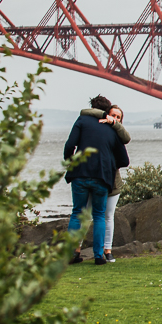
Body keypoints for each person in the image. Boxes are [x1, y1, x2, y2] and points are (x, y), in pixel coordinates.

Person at [64, 95, 130, 266]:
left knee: (77, 213)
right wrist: (109, 163)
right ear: (106, 111)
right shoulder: (111, 128)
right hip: (102, 176)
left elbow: (70, 145)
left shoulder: (81, 121)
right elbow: (124, 159)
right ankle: (99, 255)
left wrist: (70, 161)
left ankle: (73, 252)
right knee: (100, 216)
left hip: (80, 174)